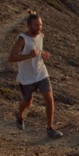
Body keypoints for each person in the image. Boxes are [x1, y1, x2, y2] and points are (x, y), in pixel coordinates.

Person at [8, 10, 63, 138]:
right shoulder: (22, 39)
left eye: (40, 25)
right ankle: (19, 114)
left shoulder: (40, 36)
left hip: (41, 73)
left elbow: (38, 49)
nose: (39, 28)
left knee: (49, 100)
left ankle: (50, 128)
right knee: (27, 103)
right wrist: (29, 56)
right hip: (27, 77)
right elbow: (11, 58)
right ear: (29, 26)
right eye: (36, 25)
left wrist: (43, 54)